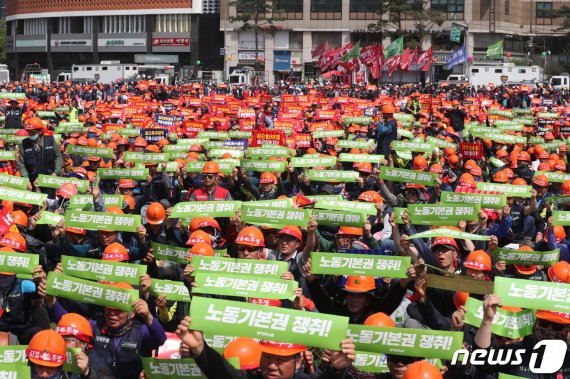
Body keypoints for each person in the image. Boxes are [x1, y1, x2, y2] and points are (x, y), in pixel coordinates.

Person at [176, 316, 356, 379]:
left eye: (280, 360)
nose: (271, 366)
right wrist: (200, 349)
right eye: (268, 358)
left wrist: (336, 370)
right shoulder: (255, 376)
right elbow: (225, 374)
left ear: (299, 361)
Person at [18, 117, 63, 186]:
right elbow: (22, 164)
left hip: (50, 180)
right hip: (32, 182)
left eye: (32, 132)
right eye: (28, 132)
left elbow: (58, 156)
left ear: (40, 131)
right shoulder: (23, 144)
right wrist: (26, 180)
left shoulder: (50, 141)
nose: (30, 134)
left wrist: (56, 172)